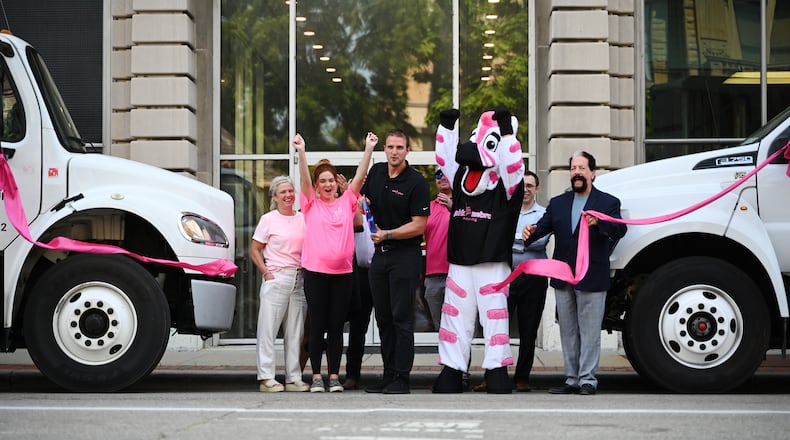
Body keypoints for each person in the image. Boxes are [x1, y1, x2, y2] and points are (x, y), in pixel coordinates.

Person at [431, 109, 525, 395]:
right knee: (455, 317)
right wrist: (447, 129)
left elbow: (513, 169)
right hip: (459, 262)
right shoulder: (462, 177)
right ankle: (452, 369)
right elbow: (447, 161)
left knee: (494, 317)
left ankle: (496, 370)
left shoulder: (508, 186)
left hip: (492, 262)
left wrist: (507, 135)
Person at [522, 150, 627, 396]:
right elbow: (542, 229)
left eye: (582, 168)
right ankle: (571, 379)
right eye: (573, 168)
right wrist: (529, 233)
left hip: (592, 276)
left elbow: (619, 230)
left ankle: (588, 379)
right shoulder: (558, 203)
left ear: (593, 173)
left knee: (589, 331)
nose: (576, 173)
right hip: (563, 275)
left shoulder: (608, 202)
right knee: (568, 330)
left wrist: (599, 223)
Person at [295, 131, 377, 393]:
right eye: (323, 181)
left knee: (336, 327)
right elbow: (304, 179)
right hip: (316, 273)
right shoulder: (310, 205)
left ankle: (333, 376)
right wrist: (301, 151)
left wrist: (368, 149)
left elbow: (361, 176)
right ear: (317, 186)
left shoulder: (346, 203)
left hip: (343, 275)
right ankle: (316, 376)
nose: (328, 184)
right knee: (318, 325)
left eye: (331, 180)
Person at [362, 129, 431, 394]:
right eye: (390, 147)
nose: (394, 151)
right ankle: (388, 374)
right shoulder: (378, 172)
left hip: (405, 256)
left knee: (402, 319)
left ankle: (402, 378)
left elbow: (419, 225)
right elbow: (365, 200)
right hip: (380, 257)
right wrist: (364, 207)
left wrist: (388, 233)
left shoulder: (416, 182)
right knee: (383, 319)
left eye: (399, 147)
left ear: (407, 151)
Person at [472, 171, 550, 393]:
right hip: (505, 277)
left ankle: (522, 378)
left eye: (530, 186)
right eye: (522, 185)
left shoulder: (543, 214)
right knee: (497, 329)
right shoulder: (506, 211)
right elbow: (500, 239)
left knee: (528, 331)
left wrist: (512, 240)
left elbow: (538, 242)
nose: (525, 189)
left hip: (533, 279)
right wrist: (521, 240)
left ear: (537, 189)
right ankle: (493, 375)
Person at [251, 175, 309, 393]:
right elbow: (254, 249)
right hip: (277, 277)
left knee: (295, 331)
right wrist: (266, 272)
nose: (288, 195)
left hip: (299, 278)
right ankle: (266, 377)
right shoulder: (269, 219)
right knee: (268, 329)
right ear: (274, 196)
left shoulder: (302, 218)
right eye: (283, 192)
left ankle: (293, 377)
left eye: (291, 191)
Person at [342, 200, 375, 390]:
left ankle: (392, 372)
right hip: (360, 274)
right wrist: (353, 203)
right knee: (357, 326)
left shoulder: (386, 212)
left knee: (388, 324)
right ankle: (352, 374)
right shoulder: (354, 214)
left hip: (383, 271)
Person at [423, 168, 452, 331]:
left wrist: (453, 207)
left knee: (461, 326)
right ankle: (445, 357)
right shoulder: (428, 208)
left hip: (457, 273)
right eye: (438, 175)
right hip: (433, 275)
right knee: (441, 329)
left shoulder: (463, 205)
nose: (441, 177)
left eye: (445, 172)